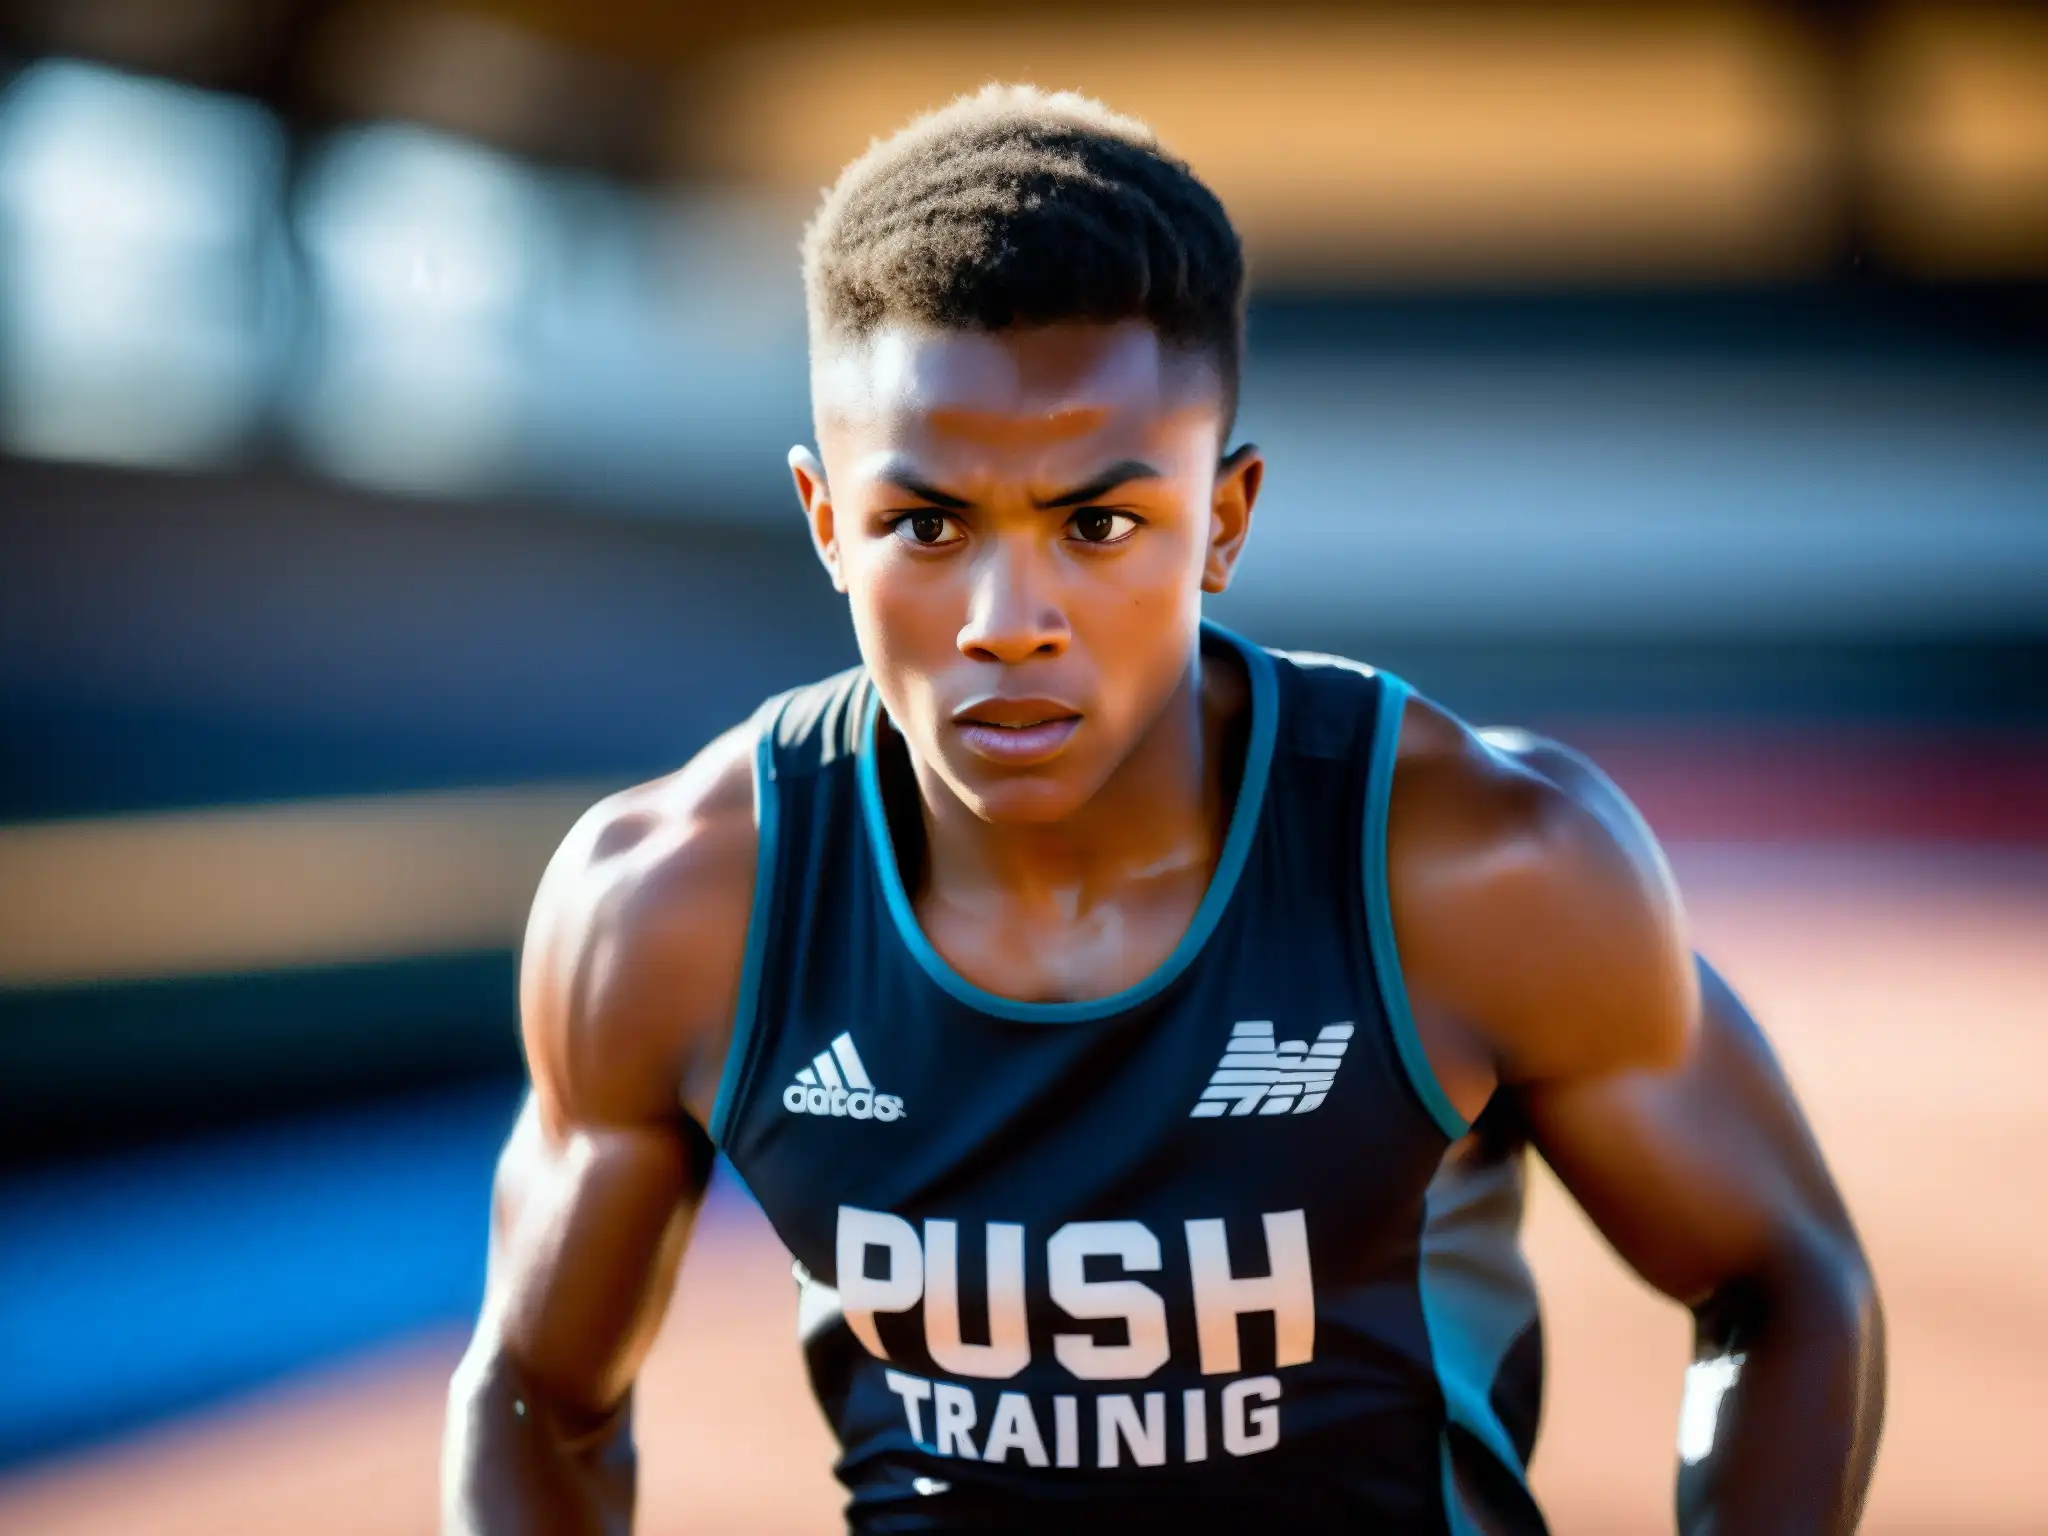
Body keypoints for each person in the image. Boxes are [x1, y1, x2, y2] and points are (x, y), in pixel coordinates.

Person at [441, 86, 1883, 1534]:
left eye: (1099, 524)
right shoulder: (679, 901)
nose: (1010, 622)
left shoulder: (1474, 862)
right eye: (926, 526)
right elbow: (532, 1396)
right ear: (828, 524)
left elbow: (1781, 1282)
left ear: (1226, 521)